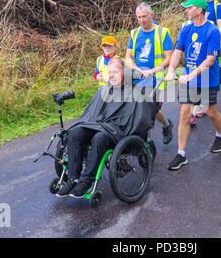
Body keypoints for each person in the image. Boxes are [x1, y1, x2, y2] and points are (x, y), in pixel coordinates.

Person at [56, 58, 159, 198]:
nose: (111, 75)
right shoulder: (104, 90)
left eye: (115, 72)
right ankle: (73, 178)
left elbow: (141, 120)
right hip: (99, 125)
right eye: (109, 72)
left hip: (117, 133)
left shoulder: (137, 92)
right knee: (75, 132)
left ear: (124, 72)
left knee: (99, 138)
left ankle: (87, 181)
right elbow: (91, 114)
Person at [165, 0, 221, 170]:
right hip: (189, 79)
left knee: (211, 112)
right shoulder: (186, 29)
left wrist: (191, 75)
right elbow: (178, 52)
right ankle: (181, 154)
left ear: (199, 10)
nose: (186, 10)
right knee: (185, 114)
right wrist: (171, 70)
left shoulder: (212, 31)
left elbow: (211, 59)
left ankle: (220, 135)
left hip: (207, 79)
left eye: (188, 7)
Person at [125, 2, 174, 144]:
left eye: (144, 16)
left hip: (155, 78)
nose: (141, 20)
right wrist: (137, 69)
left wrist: (152, 70)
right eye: (139, 17)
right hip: (138, 76)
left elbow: (169, 57)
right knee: (139, 107)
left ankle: (151, 137)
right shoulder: (134, 34)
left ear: (151, 15)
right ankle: (161, 127)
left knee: (149, 110)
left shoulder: (162, 32)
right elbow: (128, 57)